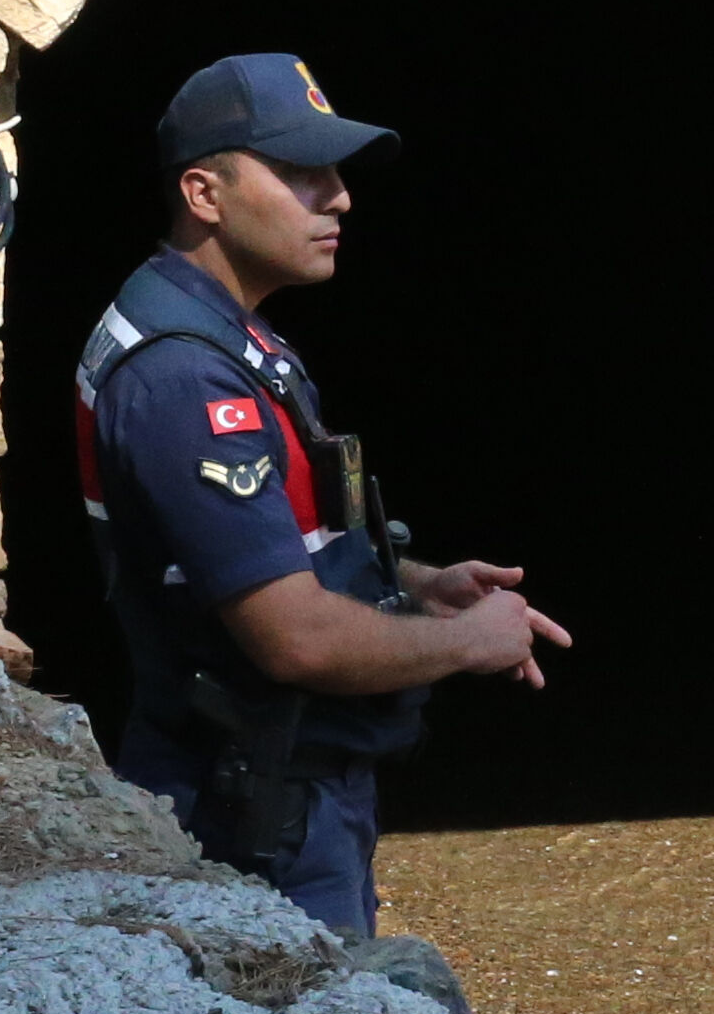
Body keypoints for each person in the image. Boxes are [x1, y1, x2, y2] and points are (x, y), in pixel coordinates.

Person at [71, 53, 565, 935]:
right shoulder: (185, 377)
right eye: (302, 172)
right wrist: (466, 640)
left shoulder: (220, 331)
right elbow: (293, 639)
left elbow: (269, 540)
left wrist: (418, 584)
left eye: (335, 173)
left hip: (283, 791)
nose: (339, 198)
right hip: (253, 818)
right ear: (204, 194)